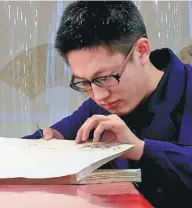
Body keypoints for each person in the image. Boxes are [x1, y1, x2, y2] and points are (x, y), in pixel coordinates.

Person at [23, 1, 192, 207]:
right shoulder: (99, 105)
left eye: (105, 77)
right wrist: (47, 144)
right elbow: (54, 136)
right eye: (85, 82)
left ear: (141, 50)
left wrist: (139, 148)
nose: (99, 95)